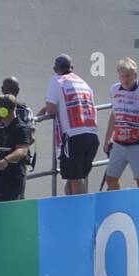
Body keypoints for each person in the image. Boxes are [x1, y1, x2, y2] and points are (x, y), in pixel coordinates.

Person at [42, 55, 100, 195]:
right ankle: (70, 209)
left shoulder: (56, 80)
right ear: (72, 68)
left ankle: (80, 213)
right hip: (92, 136)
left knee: (75, 178)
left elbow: (51, 109)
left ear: (55, 69)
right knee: (72, 179)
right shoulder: (83, 83)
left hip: (74, 136)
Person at [102, 58, 139, 190]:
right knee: (110, 179)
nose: (125, 79)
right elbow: (114, 114)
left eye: (128, 76)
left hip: (137, 144)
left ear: (135, 75)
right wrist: (107, 139)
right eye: (122, 76)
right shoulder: (114, 89)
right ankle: (118, 205)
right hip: (119, 144)